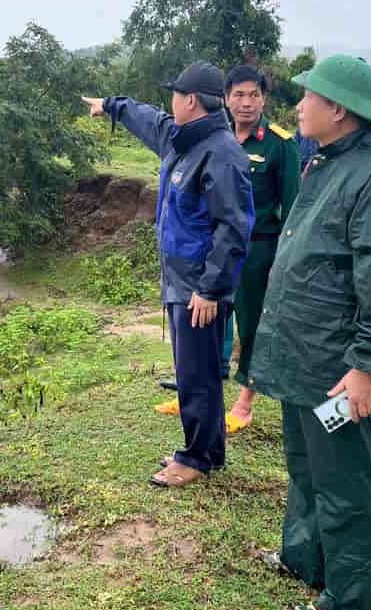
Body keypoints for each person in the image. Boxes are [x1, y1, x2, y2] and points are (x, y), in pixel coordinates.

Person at [247, 54, 371, 610]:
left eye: (309, 97)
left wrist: (370, 366)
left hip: (340, 370)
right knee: (306, 466)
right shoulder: (325, 163)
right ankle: (305, 557)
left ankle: (349, 596)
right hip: (305, 359)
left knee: (347, 477)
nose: (298, 106)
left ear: (339, 109)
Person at [82, 64, 254, 488]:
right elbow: (148, 119)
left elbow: (233, 228)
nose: (170, 102)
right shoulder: (180, 140)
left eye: (176, 95)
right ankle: (210, 449)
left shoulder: (221, 153)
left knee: (196, 375)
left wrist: (211, 289)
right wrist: (111, 106)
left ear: (191, 100)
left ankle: (194, 458)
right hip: (182, 283)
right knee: (197, 372)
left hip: (199, 288)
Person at [211, 64, 301, 434]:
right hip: (216, 248)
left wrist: (284, 260)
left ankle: (245, 401)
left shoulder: (280, 145)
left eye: (254, 95)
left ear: (264, 99)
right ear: (226, 99)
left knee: (251, 325)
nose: (247, 103)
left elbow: (293, 207)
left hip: (257, 250)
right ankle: (202, 389)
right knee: (211, 318)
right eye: (239, 95)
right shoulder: (215, 137)